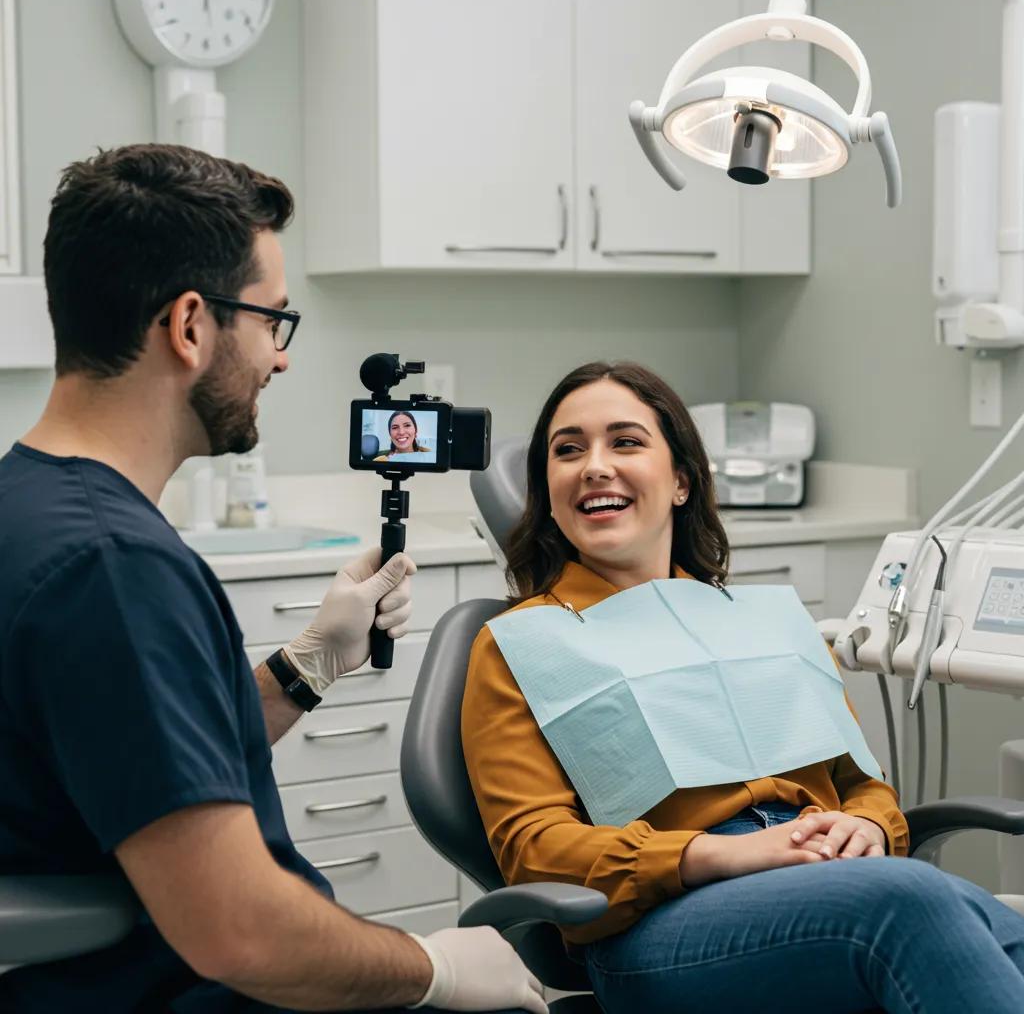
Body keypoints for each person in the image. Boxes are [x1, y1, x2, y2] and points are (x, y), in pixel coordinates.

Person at [0, 145, 545, 1014]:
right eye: (271, 322)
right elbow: (239, 933)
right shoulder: (115, 568)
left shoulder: (27, 505)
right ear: (189, 326)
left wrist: (307, 668)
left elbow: (131, 770)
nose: (279, 359)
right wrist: (431, 967)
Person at [462, 359, 1024, 1014]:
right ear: (550, 492)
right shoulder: (524, 643)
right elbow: (534, 849)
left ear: (680, 481)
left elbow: (861, 786)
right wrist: (719, 855)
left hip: (831, 876)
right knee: (918, 900)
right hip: (659, 926)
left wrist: (868, 829)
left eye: (625, 441)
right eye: (568, 451)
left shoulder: (763, 624)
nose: (594, 466)